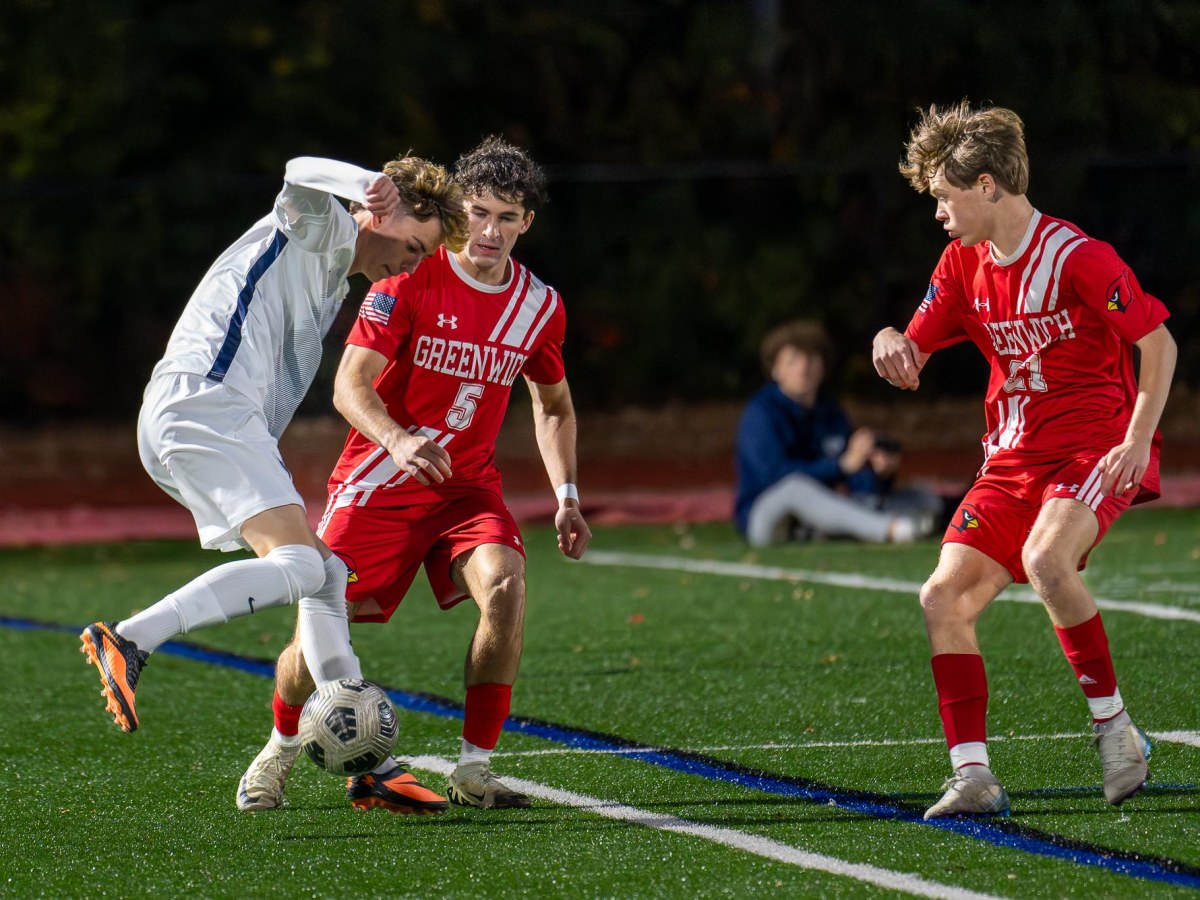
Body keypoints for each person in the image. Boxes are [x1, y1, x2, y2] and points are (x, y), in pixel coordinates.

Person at [236, 135, 592, 814]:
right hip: (377, 483)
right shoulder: (409, 276)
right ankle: (276, 752)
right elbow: (350, 386)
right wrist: (399, 442)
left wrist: (567, 496)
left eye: (506, 217)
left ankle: (474, 770)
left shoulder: (539, 307)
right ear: (459, 209)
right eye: (479, 212)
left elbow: (554, 407)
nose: (489, 230)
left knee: (508, 587)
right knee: (317, 634)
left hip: (466, 490)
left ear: (527, 223)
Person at [81, 154, 468, 735]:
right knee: (299, 565)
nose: (411, 267)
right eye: (415, 247)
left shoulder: (334, 273)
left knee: (326, 570)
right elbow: (298, 169)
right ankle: (132, 637)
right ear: (383, 212)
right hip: (206, 403)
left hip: (208, 416)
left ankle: (365, 755)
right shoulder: (323, 226)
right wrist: (364, 183)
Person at [872, 101, 1176, 819]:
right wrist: (893, 340)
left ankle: (1115, 730)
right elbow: (912, 347)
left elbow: (1157, 344)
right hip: (1010, 459)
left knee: (1046, 561)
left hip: (1092, 447)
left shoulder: (1078, 256)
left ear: (986, 186)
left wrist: (1135, 440)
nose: (938, 213)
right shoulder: (959, 265)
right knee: (940, 598)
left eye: (945, 197)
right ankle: (973, 776)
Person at [735, 320, 942, 547]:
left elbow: (854, 476)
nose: (804, 368)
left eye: (812, 359)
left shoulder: (830, 412)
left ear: (823, 366)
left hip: (824, 506)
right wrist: (840, 466)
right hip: (766, 518)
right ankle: (892, 530)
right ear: (775, 369)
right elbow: (774, 476)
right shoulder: (761, 412)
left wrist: (878, 471)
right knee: (795, 488)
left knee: (925, 497)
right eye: (793, 360)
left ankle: (821, 530)